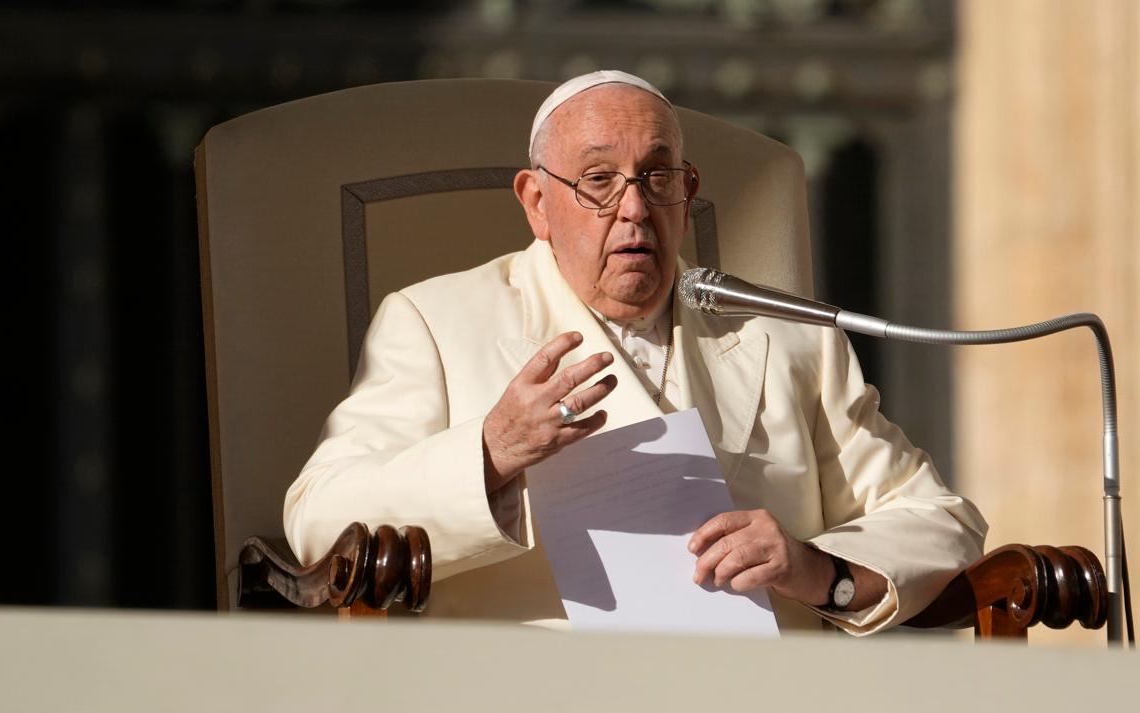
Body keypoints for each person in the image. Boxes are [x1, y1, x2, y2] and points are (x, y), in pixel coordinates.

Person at [284, 71, 986, 634]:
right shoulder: (436, 323)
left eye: (657, 178)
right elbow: (318, 521)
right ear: (536, 202)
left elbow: (939, 520)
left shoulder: (788, 336)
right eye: (598, 180)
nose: (633, 209)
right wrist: (491, 453)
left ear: (687, 193)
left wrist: (818, 571)